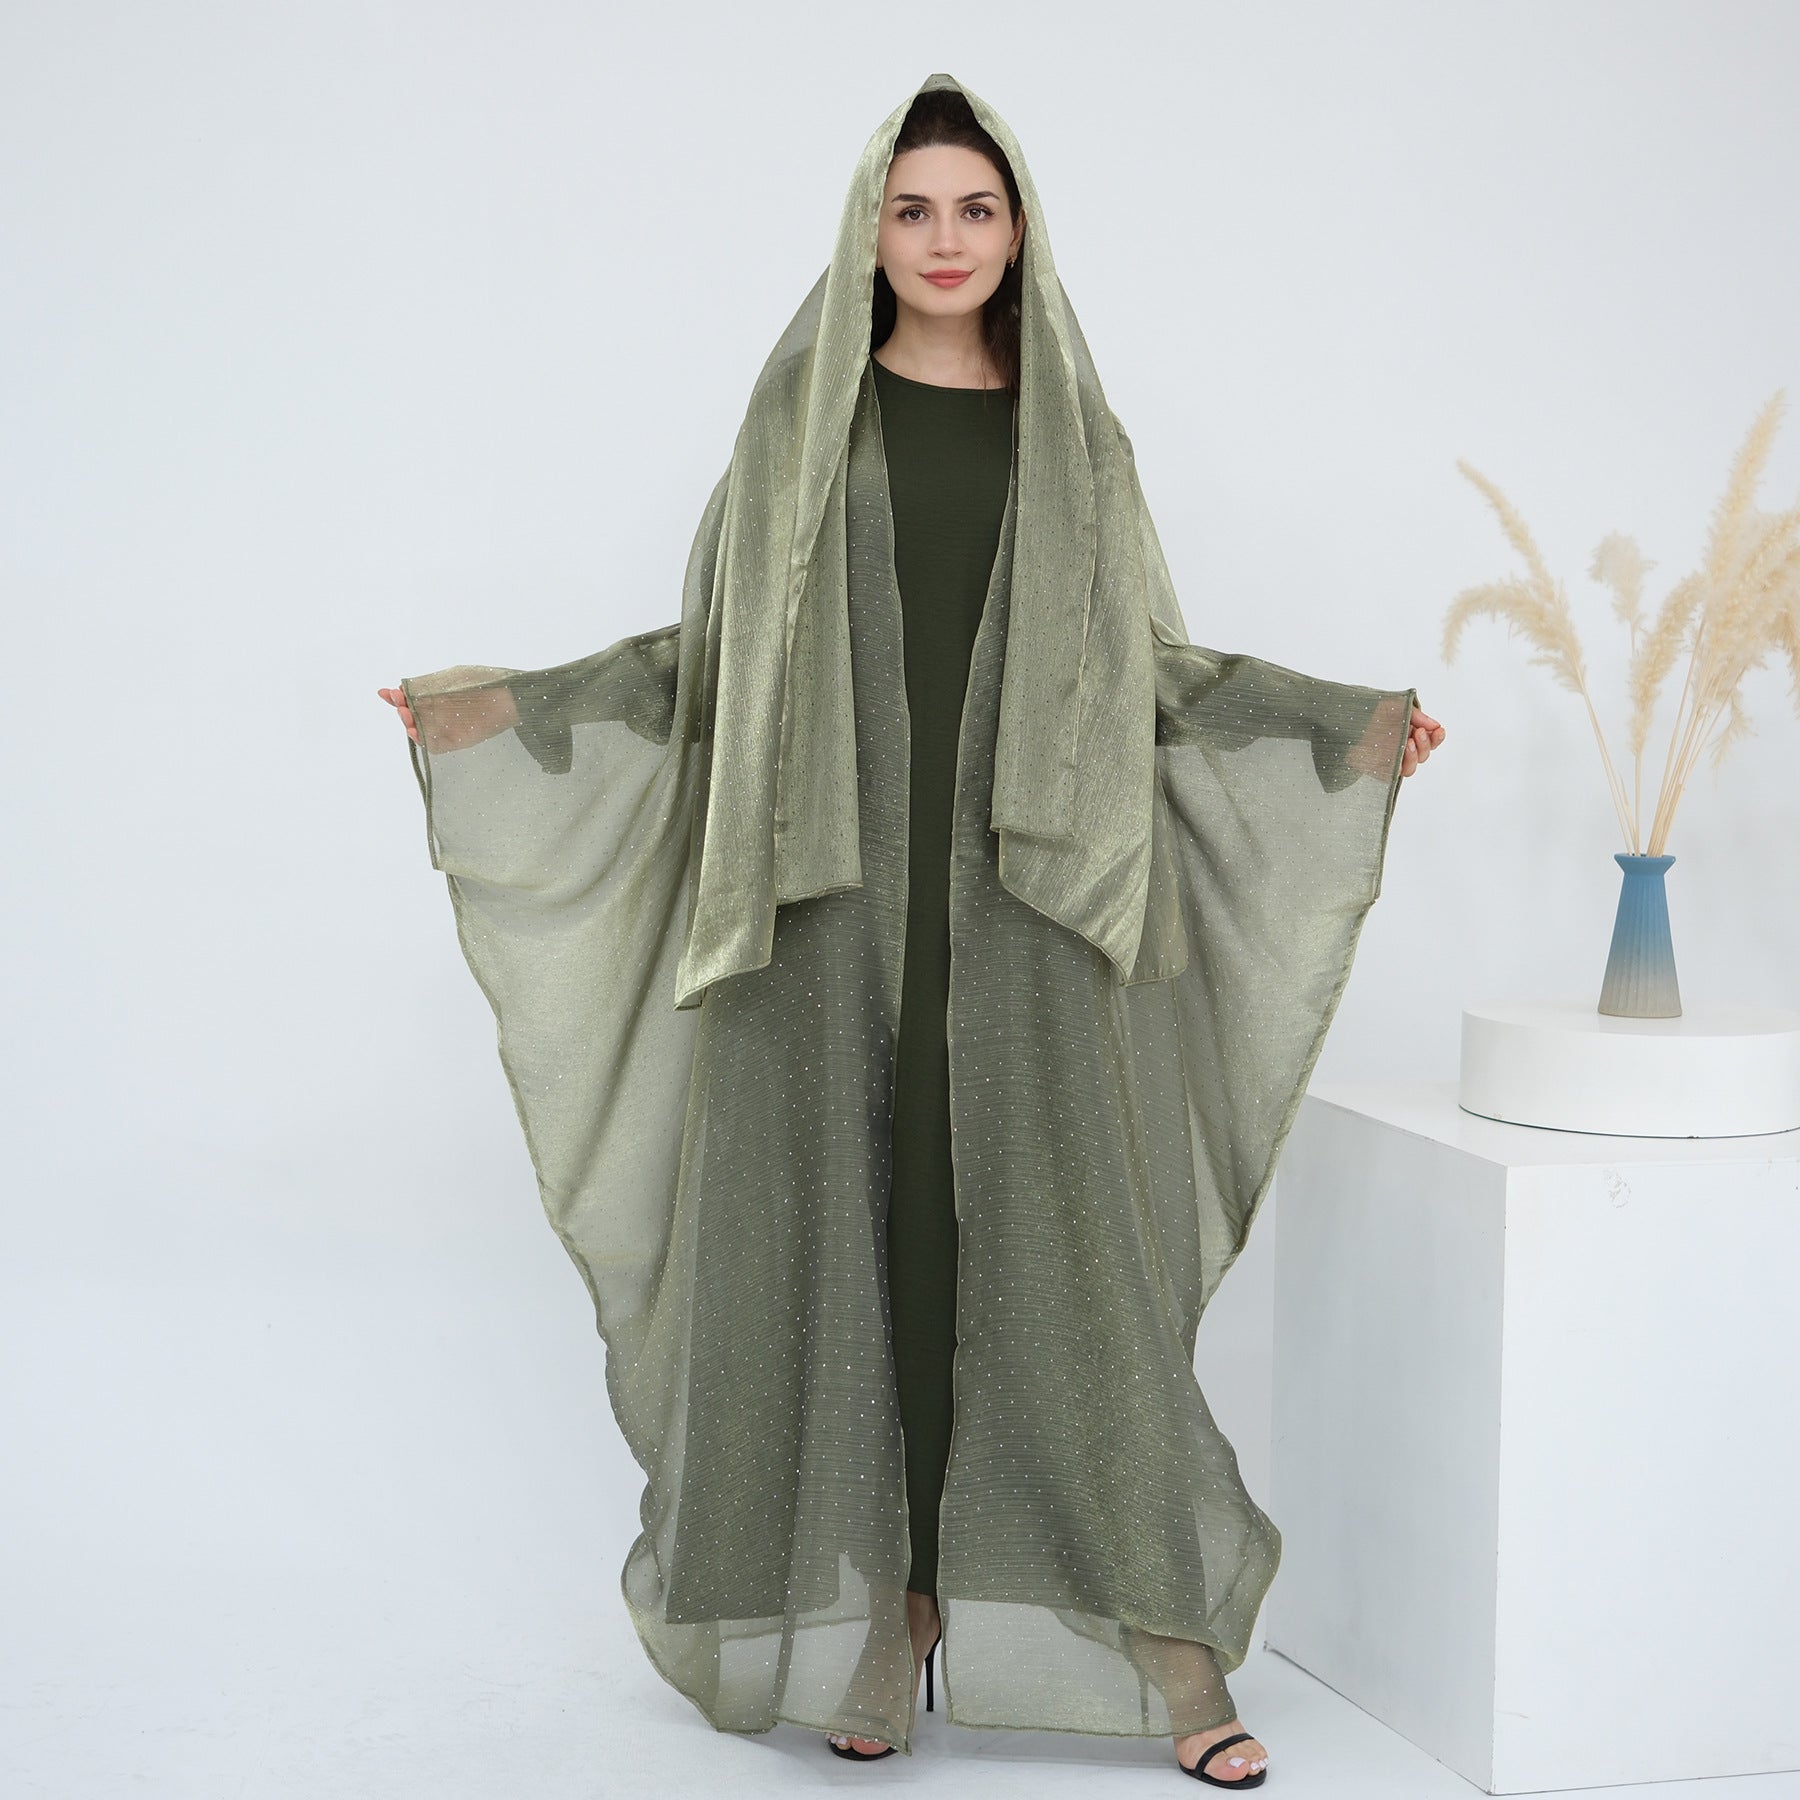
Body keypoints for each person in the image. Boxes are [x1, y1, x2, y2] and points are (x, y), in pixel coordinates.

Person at [380, 73, 1443, 1787]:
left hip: (1027, 912)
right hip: (831, 911)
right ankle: (890, 1615)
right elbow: (719, 655)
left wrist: (1335, 730)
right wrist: (519, 708)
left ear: (1019, 232)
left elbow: (1147, 673)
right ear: (869, 228)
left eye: (976, 209)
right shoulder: (805, 413)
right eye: (913, 208)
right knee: (849, 1258)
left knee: (1065, 1268)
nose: (946, 240)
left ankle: (1172, 1655)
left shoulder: (1073, 433)